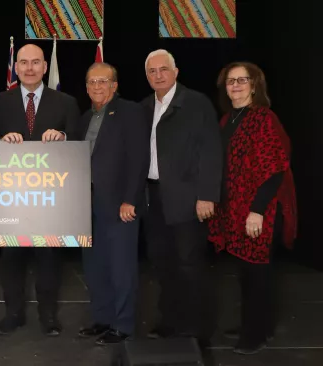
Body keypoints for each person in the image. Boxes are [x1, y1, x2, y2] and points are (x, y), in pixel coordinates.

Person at [0, 44, 81, 337]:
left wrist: (62, 136)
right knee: (11, 259)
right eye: (23, 62)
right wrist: (1, 140)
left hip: (51, 199)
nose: (28, 68)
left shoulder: (66, 102)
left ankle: (49, 316)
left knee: (49, 258)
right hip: (11, 198)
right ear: (16, 67)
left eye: (35, 62)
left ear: (45, 67)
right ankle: (13, 314)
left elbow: (78, 141)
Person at [208, 62, 297, 355]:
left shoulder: (264, 118)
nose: (235, 85)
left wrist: (256, 210)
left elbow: (275, 169)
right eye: (230, 81)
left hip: (261, 211)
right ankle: (260, 325)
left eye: (241, 80)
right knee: (247, 274)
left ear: (255, 85)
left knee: (257, 274)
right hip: (235, 210)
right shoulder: (227, 120)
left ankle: (254, 333)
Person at [141, 49, 222, 345]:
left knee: (189, 264)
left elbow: (211, 151)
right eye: (152, 71)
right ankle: (170, 320)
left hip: (188, 199)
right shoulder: (144, 107)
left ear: (176, 72)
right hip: (153, 198)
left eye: (163, 69)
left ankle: (196, 327)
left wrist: (207, 196)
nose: (158, 75)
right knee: (162, 263)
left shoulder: (196, 103)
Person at [73, 63, 149, 345]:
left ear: (115, 85)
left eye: (103, 81)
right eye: (91, 82)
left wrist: (130, 199)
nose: (96, 87)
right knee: (94, 267)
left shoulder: (130, 111)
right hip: (86, 204)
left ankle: (123, 324)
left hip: (119, 204)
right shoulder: (83, 118)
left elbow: (139, 158)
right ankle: (102, 319)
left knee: (121, 267)